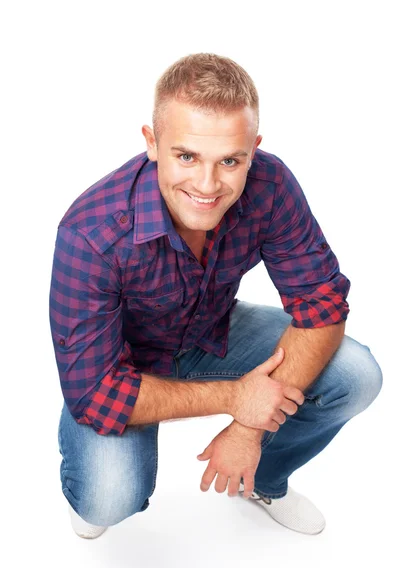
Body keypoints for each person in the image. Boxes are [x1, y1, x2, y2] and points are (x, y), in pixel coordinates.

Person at [49, 53, 383, 539]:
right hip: (124, 366)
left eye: (230, 160)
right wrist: (236, 398)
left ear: (253, 148)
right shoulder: (91, 233)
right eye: (186, 156)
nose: (207, 185)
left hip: (212, 333)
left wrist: (250, 428)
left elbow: (322, 302)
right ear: (152, 143)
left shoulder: (269, 184)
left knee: (356, 376)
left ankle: (263, 480)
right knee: (108, 497)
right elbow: (97, 393)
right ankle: (91, 489)